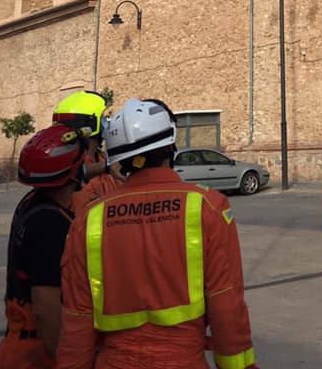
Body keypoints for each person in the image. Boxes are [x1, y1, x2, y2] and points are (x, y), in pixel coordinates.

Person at [57, 97, 257, 369]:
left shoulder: (88, 220)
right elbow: (227, 308)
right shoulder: (207, 208)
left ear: (118, 159)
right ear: (171, 146)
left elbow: (76, 325)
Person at [0, 124, 88, 369]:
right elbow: (46, 309)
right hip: (37, 356)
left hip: (20, 348)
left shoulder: (32, 205)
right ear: (74, 173)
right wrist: (69, 362)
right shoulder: (49, 226)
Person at [53, 89, 123, 214]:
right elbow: (78, 172)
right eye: (103, 118)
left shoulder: (102, 157)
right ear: (91, 123)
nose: (107, 123)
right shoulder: (64, 168)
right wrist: (105, 166)